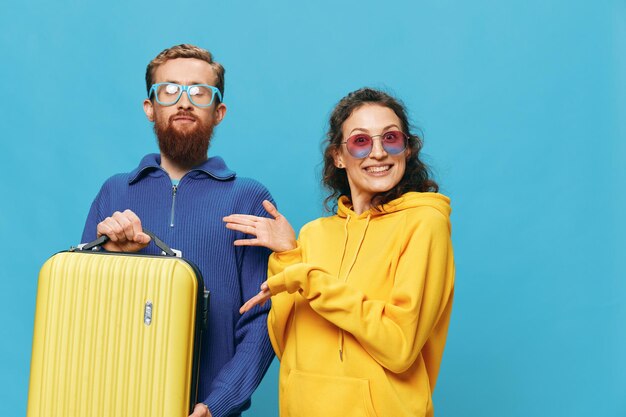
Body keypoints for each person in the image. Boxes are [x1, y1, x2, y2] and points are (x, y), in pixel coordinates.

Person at [224, 88, 455, 417]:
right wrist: (289, 256)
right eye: (361, 141)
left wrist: (309, 278)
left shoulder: (424, 223)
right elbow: (288, 345)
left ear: (407, 148)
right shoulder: (313, 234)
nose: (378, 153)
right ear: (338, 156)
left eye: (390, 138)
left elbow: (399, 345)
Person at [81, 44, 275, 417]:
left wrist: (216, 405)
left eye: (199, 92)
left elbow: (263, 318)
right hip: (114, 402)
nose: (184, 102)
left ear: (218, 112)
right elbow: (84, 309)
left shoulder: (250, 198)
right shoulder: (114, 192)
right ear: (150, 108)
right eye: (169, 90)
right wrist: (108, 256)